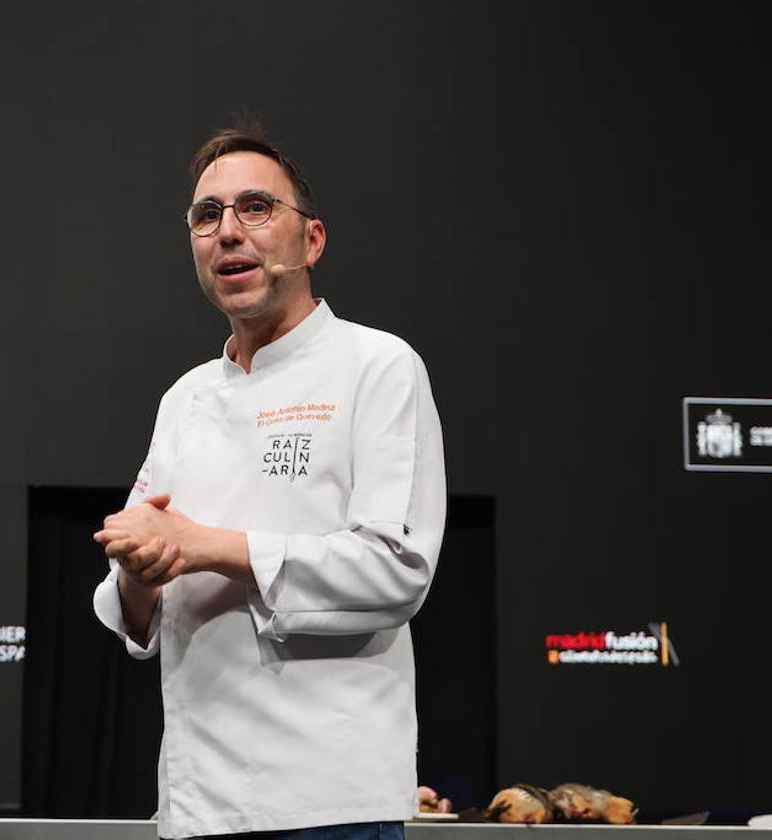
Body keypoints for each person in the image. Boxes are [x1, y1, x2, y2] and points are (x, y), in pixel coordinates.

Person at [92, 123, 447, 840]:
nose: (228, 231)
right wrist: (139, 570)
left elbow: (396, 569)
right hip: (195, 806)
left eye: (255, 208)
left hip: (326, 806)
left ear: (311, 241)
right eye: (206, 215)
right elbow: (139, 609)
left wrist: (204, 545)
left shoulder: (378, 366)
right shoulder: (184, 398)